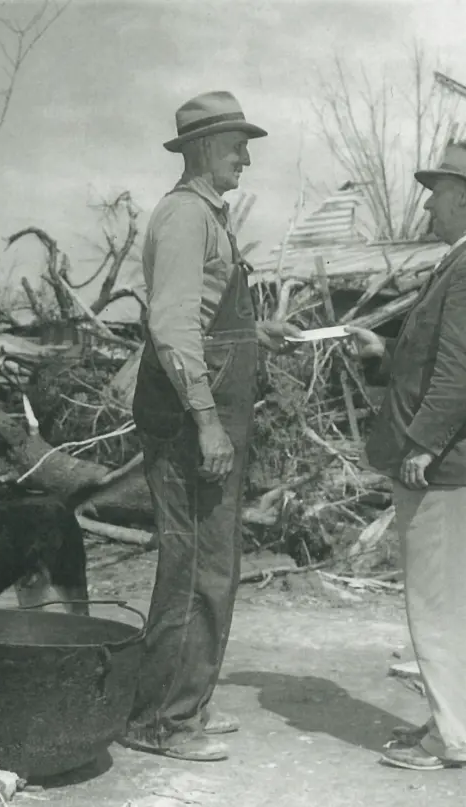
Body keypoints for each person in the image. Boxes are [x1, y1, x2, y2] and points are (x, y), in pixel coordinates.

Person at [124, 90, 300, 763]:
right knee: (195, 567)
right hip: (189, 421)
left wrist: (259, 330)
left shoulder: (207, 217)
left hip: (213, 414)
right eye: (237, 145)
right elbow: (171, 329)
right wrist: (205, 421)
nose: (247, 158)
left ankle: (186, 702)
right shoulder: (184, 217)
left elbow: (205, 316)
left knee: (215, 565)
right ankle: (160, 720)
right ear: (203, 149)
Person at [346, 141, 466, 771]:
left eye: (438, 190)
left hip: (443, 462)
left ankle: (456, 739)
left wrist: (423, 442)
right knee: (444, 600)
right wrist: (384, 357)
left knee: (440, 604)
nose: (429, 200)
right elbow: (435, 363)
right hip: (445, 458)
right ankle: (451, 723)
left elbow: (463, 372)